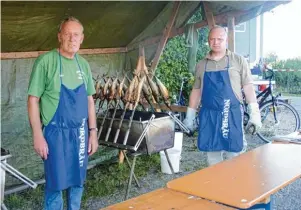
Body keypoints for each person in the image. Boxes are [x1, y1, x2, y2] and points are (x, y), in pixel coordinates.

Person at [27, 17, 98, 210]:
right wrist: (37, 135)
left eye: (76, 34)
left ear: (82, 38)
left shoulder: (83, 65)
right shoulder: (46, 61)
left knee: (77, 180)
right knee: (55, 183)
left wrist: (93, 132)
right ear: (60, 36)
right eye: (67, 34)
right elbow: (33, 100)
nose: (72, 38)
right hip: (55, 134)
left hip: (80, 133)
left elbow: (89, 101)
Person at [183, 25, 262, 166]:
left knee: (235, 156)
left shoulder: (238, 60)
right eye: (212, 39)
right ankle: (215, 186)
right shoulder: (201, 65)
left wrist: (254, 113)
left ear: (226, 40)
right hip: (209, 116)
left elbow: (248, 87)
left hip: (231, 114)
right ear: (208, 41)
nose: (216, 42)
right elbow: (196, 90)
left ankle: (235, 186)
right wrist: (190, 115)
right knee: (212, 158)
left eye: (220, 39)